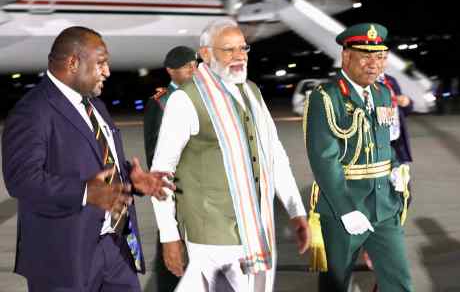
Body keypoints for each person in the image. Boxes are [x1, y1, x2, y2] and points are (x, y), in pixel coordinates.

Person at [1, 26, 174, 292]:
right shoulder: (32, 111)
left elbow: (94, 161)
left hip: (115, 246)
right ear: (73, 62)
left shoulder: (93, 104)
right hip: (64, 257)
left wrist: (130, 178)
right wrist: (84, 192)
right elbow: (21, 180)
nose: (107, 72)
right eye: (101, 63)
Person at [150, 18, 309, 292]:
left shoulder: (252, 92)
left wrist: (295, 210)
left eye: (243, 48)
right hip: (211, 237)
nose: (239, 56)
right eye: (228, 50)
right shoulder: (185, 100)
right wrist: (169, 236)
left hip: (258, 231)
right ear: (206, 54)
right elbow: (161, 173)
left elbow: (275, 155)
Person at [304, 23, 413, 292]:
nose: (373, 64)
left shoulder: (384, 93)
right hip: (344, 207)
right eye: (365, 56)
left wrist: (396, 169)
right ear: (346, 56)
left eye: (380, 57)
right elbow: (324, 159)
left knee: (399, 281)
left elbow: (386, 142)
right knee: (336, 285)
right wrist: (346, 209)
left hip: (384, 206)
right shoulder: (326, 97)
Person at [143, 45, 197, 290]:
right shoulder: (160, 103)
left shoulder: (200, 96)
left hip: (201, 191)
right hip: (176, 189)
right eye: (187, 67)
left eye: (195, 65)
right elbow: (155, 153)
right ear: (170, 71)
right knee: (172, 249)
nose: (193, 70)